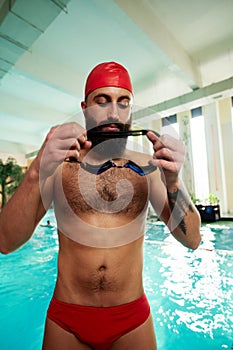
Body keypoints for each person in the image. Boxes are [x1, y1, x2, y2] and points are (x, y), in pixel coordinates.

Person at [0, 61, 201, 350]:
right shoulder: (58, 167)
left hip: (131, 319)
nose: (113, 112)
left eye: (123, 102)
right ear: (85, 108)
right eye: (102, 101)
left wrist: (174, 183)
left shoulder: (150, 168)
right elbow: (6, 242)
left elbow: (192, 239)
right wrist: (36, 171)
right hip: (67, 319)